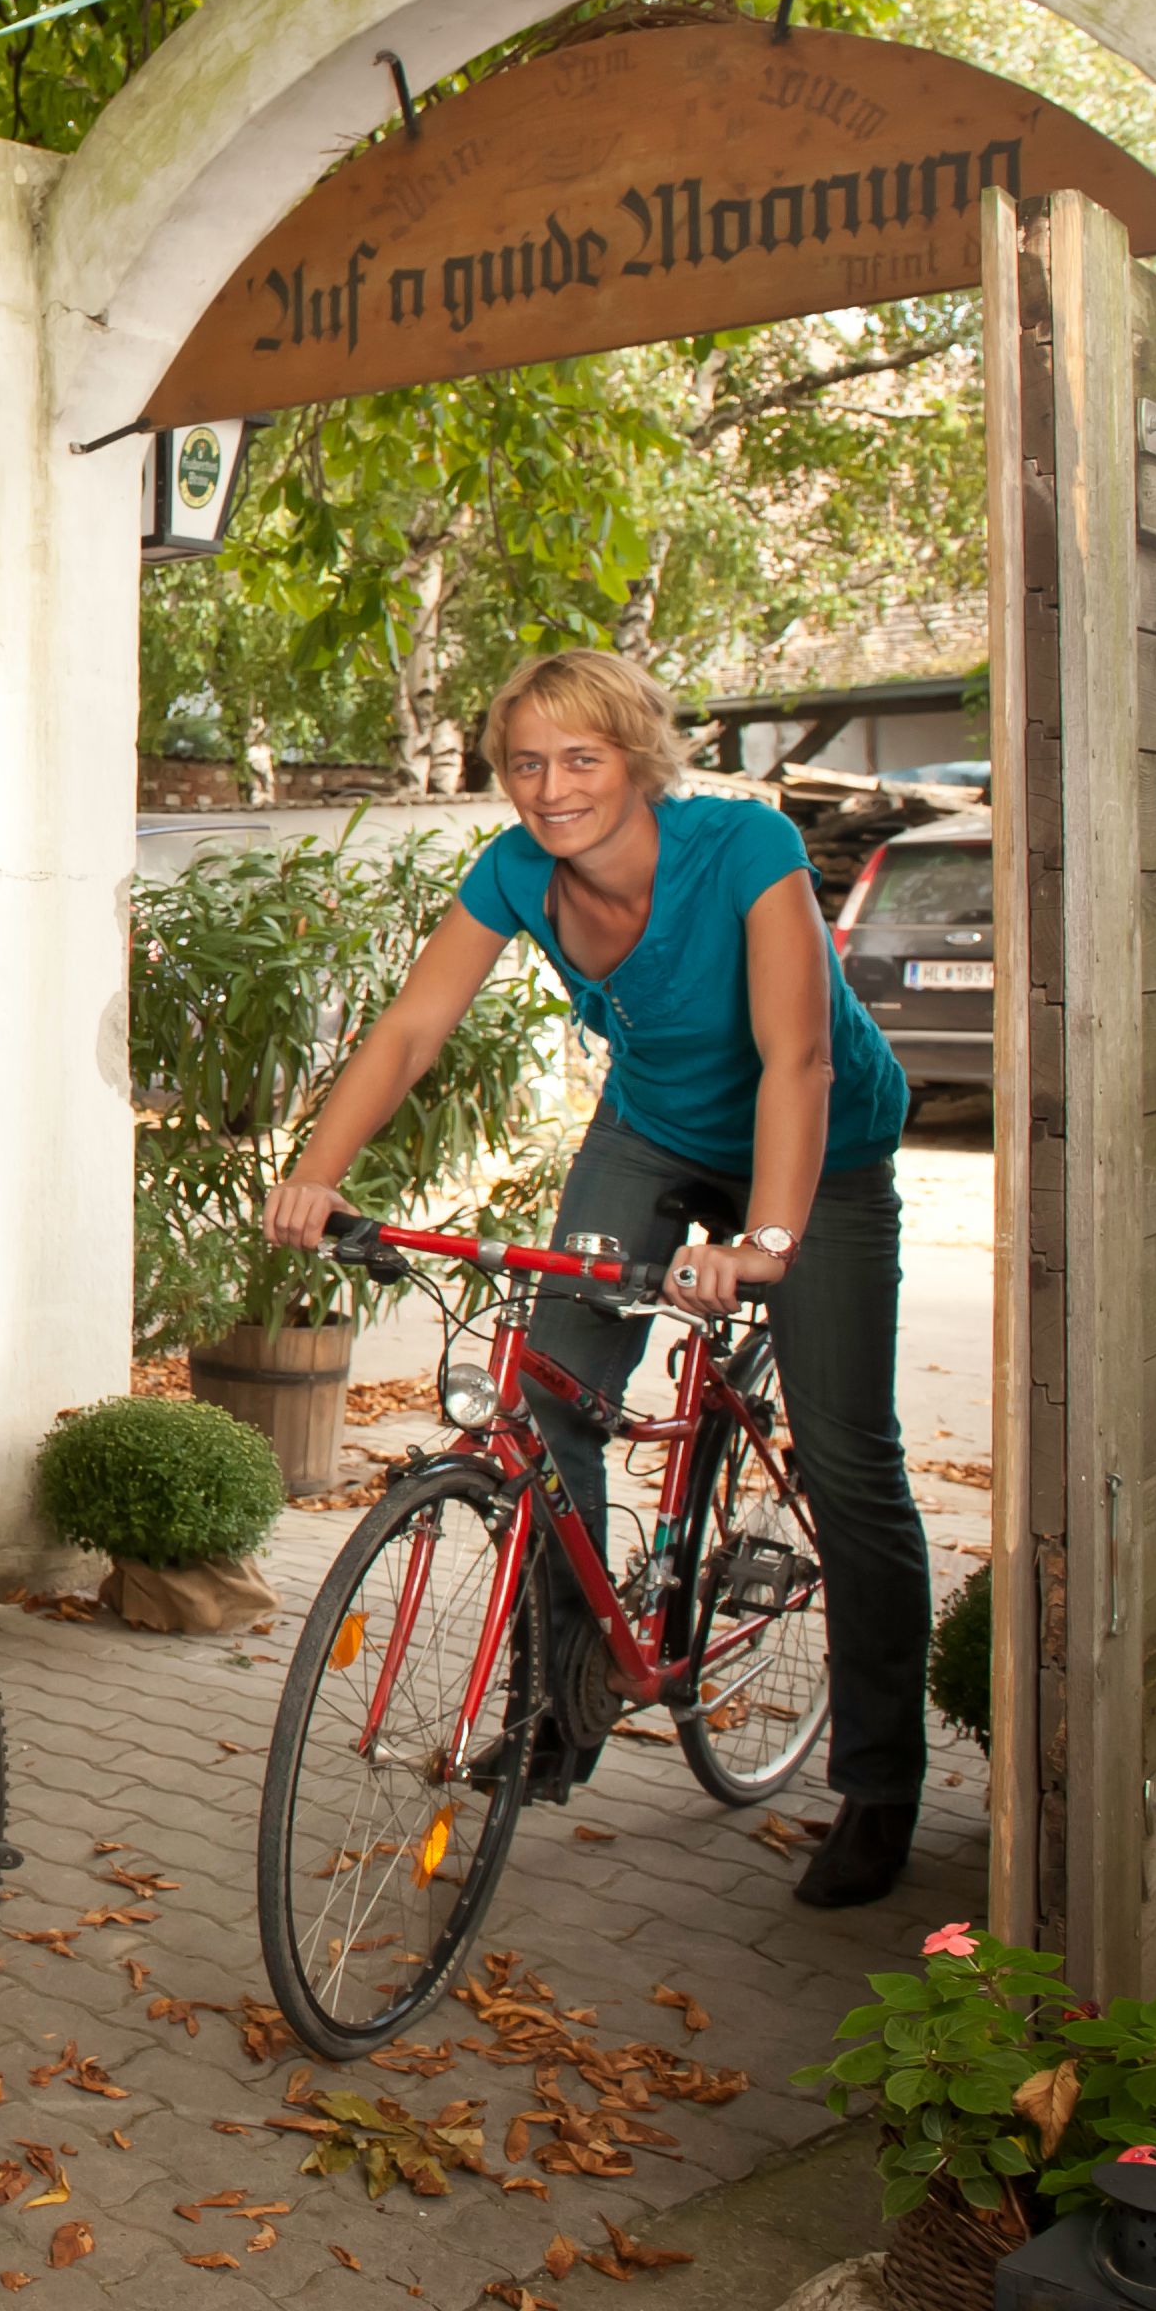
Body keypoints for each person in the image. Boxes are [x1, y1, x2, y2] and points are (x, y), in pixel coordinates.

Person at [257, 648, 932, 1911]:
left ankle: (879, 1779)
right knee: (551, 1395)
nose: (550, 787)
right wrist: (316, 1175)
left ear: (636, 761)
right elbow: (411, 1028)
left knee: (850, 1460)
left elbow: (795, 1062)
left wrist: (762, 1249)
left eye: (580, 758)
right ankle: (565, 1687)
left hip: (819, 1153)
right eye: (525, 763)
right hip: (655, 1134)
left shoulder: (743, 851)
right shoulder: (517, 871)